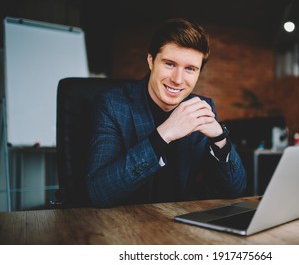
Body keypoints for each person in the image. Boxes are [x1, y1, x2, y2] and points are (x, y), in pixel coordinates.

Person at [87, 18, 247, 208]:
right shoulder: (112, 104)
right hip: (125, 226)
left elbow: (236, 190)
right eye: (170, 64)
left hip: (180, 225)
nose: (178, 80)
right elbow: (98, 192)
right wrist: (165, 134)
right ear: (151, 61)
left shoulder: (203, 107)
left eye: (190, 69)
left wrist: (220, 138)